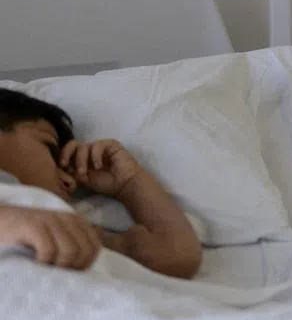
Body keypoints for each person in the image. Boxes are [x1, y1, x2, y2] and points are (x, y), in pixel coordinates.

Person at [0, 88, 202, 278]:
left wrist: (130, 183)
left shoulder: (61, 220)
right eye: (51, 150)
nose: (70, 181)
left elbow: (172, 258)